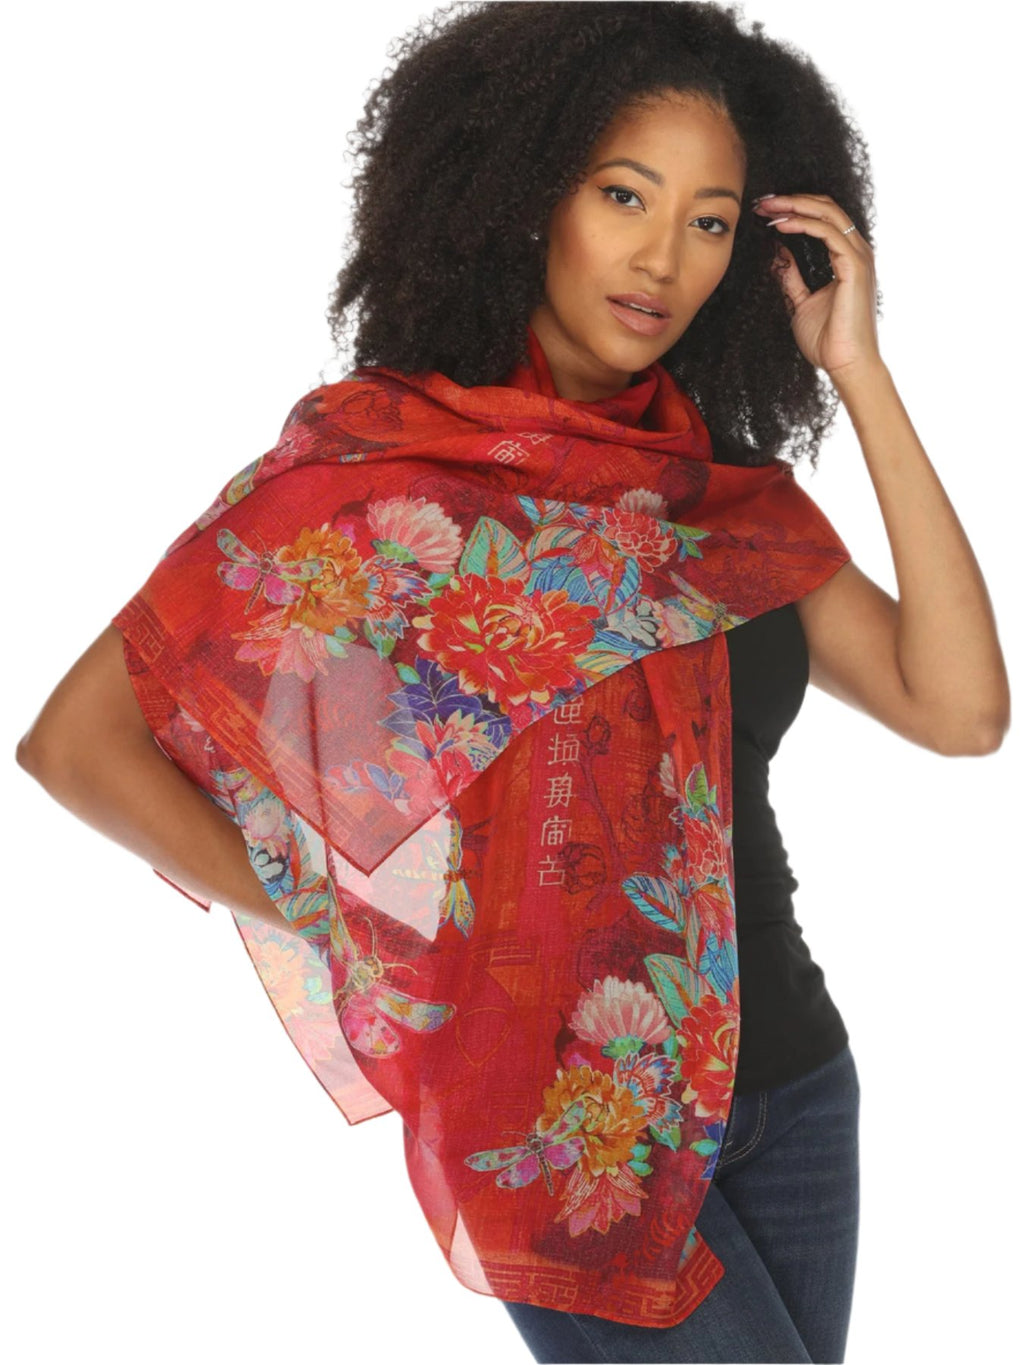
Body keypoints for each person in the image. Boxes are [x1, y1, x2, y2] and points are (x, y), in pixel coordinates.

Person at [14, 3, 1010, 1363]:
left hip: (791, 1093)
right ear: (529, 194)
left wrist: (859, 371)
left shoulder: (716, 502)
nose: (662, 258)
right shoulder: (384, 487)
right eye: (623, 195)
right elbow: (78, 745)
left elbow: (958, 708)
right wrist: (359, 929)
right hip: (563, 1130)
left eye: (711, 221)